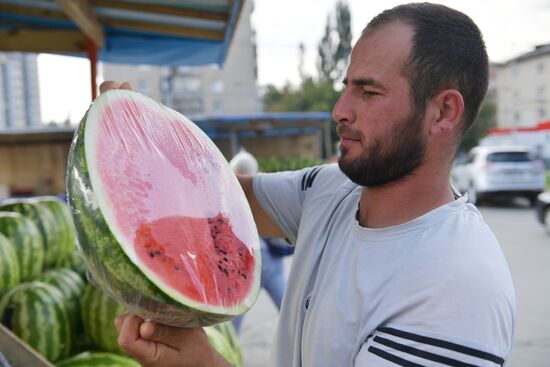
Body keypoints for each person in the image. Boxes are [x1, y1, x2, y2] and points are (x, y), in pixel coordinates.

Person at [112, 3, 516, 366]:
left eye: (369, 92)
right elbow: (221, 198)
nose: (339, 110)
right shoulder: (329, 191)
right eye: (347, 88)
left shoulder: (459, 284)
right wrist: (136, 138)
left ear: (443, 111)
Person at [228, 148, 290, 333]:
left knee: (235, 317)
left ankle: (230, 350)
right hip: (270, 261)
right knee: (289, 310)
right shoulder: (265, 190)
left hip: (246, 262)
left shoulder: (230, 194)